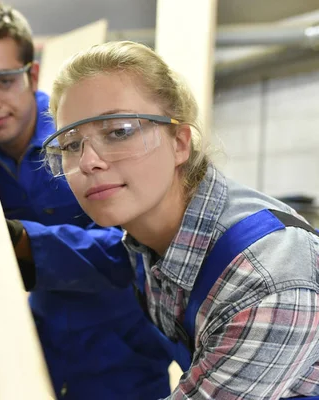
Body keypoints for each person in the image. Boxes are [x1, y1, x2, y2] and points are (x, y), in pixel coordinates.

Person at [39, 40, 319, 398]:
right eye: (71, 144)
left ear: (180, 142)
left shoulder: (266, 281)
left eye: (119, 131)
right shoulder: (150, 238)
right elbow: (103, 254)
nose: (88, 161)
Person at [0, 2, 174, 399]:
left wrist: (25, 241)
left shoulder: (85, 136)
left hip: (123, 347)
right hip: (41, 339)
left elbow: (134, 246)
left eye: (3, 80)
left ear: (31, 74)